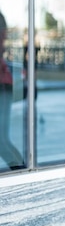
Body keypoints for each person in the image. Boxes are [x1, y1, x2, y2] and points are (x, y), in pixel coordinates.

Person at [0, 10, 24, 170]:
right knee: (2, 139)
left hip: (2, 86)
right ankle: (23, 171)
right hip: (4, 84)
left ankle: (22, 172)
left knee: (1, 140)